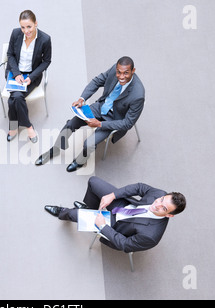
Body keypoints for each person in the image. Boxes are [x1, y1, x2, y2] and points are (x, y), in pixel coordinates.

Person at [35, 56, 144, 172]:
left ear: (133, 71)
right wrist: (82, 99)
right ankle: (56, 148)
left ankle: (80, 161)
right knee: (71, 124)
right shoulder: (114, 69)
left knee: (89, 143)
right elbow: (97, 81)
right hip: (102, 107)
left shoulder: (138, 95)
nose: (121, 77)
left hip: (114, 120)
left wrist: (99, 124)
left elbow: (127, 123)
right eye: (119, 72)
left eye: (126, 73)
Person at [44, 176, 186, 252]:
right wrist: (113, 195)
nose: (157, 204)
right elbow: (139, 187)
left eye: (163, 208)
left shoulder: (151, 236)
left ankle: (62, 212)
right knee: (93, 182)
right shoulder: (160, 194)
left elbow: (125, 244)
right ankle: (91, 208)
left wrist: (103, 226)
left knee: (74, 215)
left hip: (114, 226)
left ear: (169, 215)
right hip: (123, 206)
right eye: (161, 200)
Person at [5, 10, 52, 143]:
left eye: (29, 27)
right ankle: (28, 126)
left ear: (35, 23)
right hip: (15, 73)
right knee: (17, 97)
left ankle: (14, 127)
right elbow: (10, 55)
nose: (26, 31)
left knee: (14, 98)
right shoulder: (15, 33)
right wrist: (16, 73)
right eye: (23, 27)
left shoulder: (45, 39)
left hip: (32, 75)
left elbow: (47, 61)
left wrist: (31, 76)